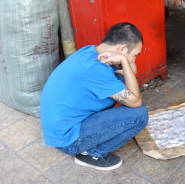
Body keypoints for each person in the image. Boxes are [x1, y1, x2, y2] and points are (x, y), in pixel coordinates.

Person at [40, 22, 148, 171]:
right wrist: (123, 60)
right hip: (68, 139)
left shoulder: (91, 51)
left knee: (123, 79)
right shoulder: (96, 70)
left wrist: (123, 60)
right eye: (135, 55)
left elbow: (132, 71)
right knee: (139, 115)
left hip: (62, 126)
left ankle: (96, 133)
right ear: (122, 48)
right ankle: (93, 154)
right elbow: (136, 102)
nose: (134, 60)